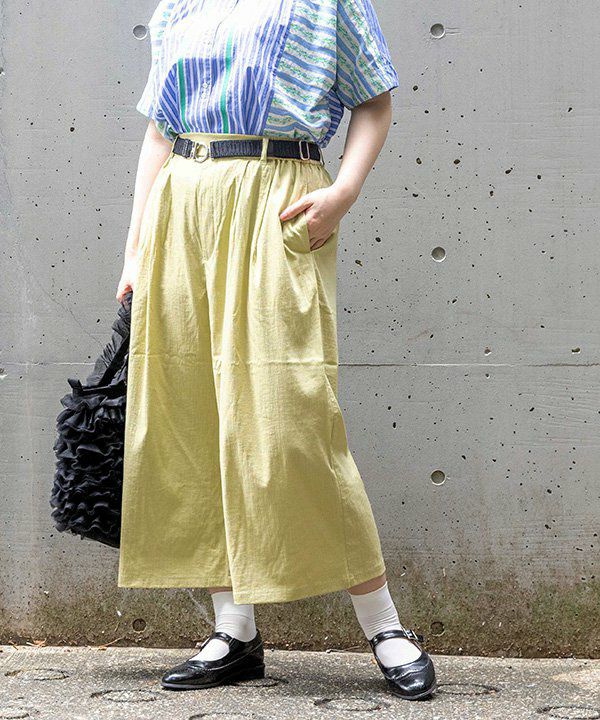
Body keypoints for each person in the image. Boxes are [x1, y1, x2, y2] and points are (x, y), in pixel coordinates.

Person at [116, 0, 436, 701]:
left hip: (279, 197)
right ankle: (234, 631)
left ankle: (384, 626)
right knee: (193, 414)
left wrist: (344, 191)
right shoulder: (180, 5)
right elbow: (160, 130)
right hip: (182, 203)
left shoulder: (327, 3)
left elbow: (374, 101)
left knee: (294, 418)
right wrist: (136, 248)